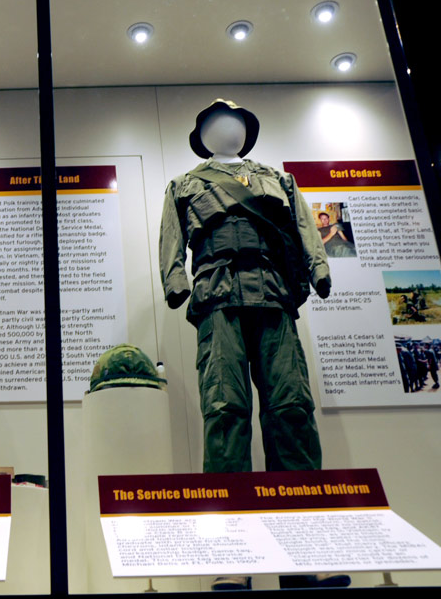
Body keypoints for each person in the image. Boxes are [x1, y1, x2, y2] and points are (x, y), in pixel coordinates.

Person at [160, 98, 347, 590]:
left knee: (291, 409)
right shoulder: (184, 185)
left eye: (238, 122)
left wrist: (319, 266)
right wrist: (174, 279)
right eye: (220, 123)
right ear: (202, 134)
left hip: (273, 296)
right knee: (225, 411)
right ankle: (232, 556)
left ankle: (305, 553)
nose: (230, 129)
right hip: (218, 298)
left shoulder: (279, 180)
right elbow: (171, 239)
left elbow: (305, 226)